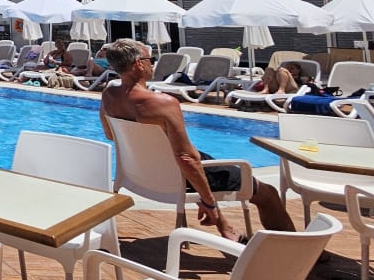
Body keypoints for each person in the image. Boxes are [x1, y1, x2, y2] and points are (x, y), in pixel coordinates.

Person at [100, 38, 294, 242]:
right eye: (151, 59)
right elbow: (187, 159)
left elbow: (110, 135)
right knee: (268, 194)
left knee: (197, 165)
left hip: (145, 173)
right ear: (139, 63)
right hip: (182, 174)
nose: (153, 64)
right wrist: (210, 203)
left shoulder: (109, 96)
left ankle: (226, 227)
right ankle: (292, 248)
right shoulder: (163, 103)